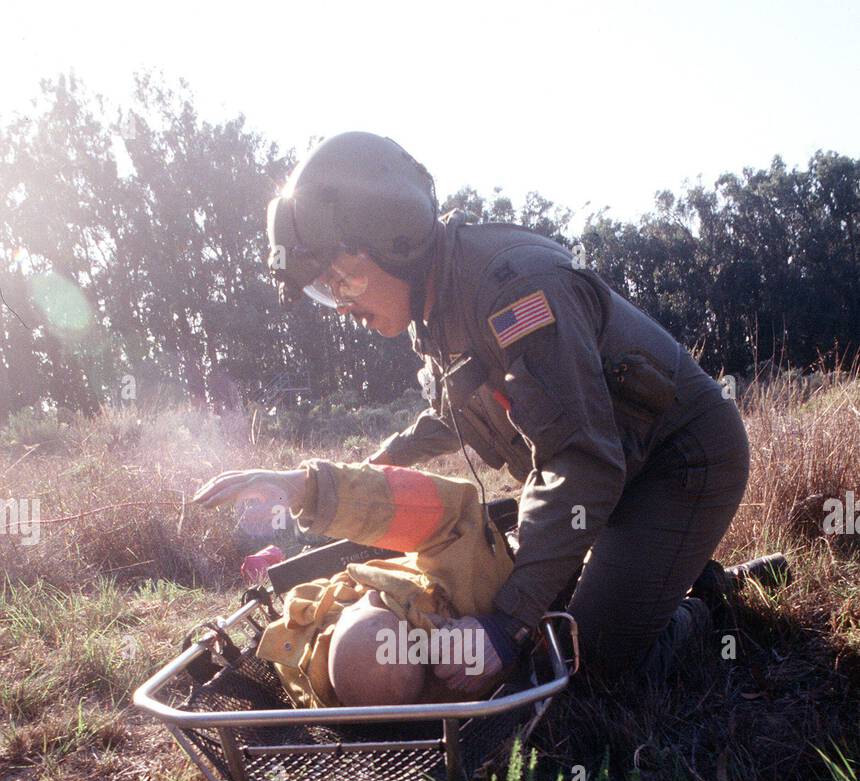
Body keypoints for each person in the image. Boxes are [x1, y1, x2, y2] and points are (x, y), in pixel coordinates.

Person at [211, 130, 751, 691]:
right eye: (327, 289)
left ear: (394, 239)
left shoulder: (515, 291)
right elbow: (453, 413)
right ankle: (655, 576)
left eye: (341, 280)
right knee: (549, 606)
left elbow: (581, 463)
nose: (341, 304)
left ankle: (703, 608)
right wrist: (351, 477)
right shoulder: (436, 309)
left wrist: (507, 623)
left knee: (575, 669)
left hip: (677, 464)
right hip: (611, 473)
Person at [193, 456, 517, 708]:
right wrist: (508, 627)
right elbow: (447, 512)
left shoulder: (304, 668)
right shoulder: (473, 603)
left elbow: (434, 510)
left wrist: (311, 489)